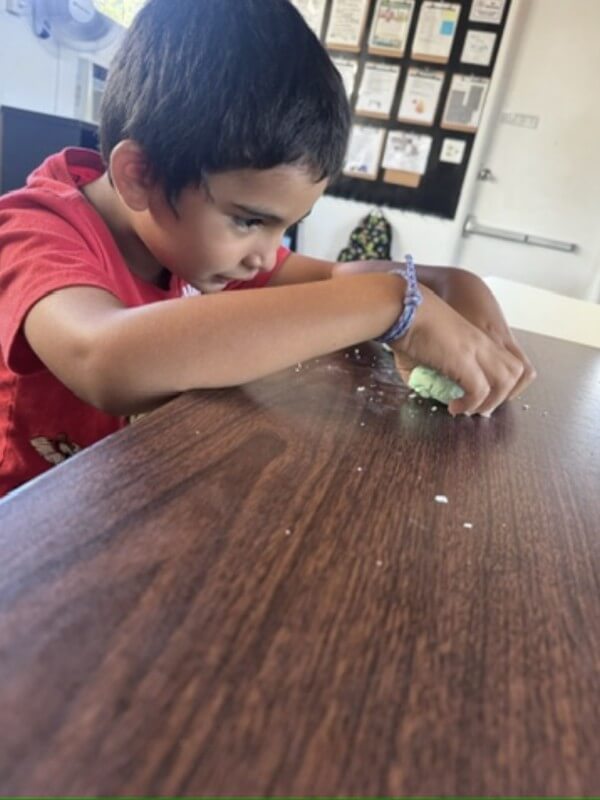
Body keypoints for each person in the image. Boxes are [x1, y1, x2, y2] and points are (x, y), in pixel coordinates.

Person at [0, 0, 535, 497]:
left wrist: (447, 283)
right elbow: (106, 360)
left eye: (286, 227)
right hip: (32, 536)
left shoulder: (203, 247)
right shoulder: (37, 229)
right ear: (139, 176)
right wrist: (398, 305)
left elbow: (332, 282)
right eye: (251, 220)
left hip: (140, 495)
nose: (265, 254)